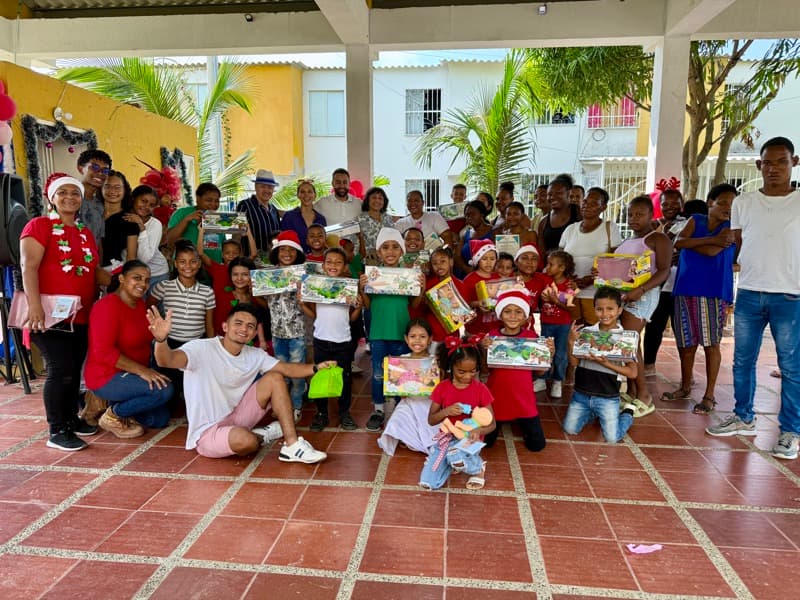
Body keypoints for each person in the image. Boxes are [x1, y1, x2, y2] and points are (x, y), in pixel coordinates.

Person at [706, 137, 800, 460]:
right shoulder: (744, 202)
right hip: (748, 291)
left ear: (794, 163)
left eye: (781, 162)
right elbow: (740, 244)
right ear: (759, 165)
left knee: (791, 366)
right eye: (768, 163)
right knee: (742, 360)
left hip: (790, 295)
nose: (774, 169)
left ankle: (790, 431)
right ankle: (743, 415)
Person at [148, 303, 331, 462]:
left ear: (254, 333)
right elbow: (167, 360)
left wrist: (316, 368)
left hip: (238, 416)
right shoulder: (200, 348)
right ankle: (261, 436)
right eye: (238, 323)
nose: (244, 329)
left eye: (250, 326)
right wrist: (161, 339)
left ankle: (291, 445)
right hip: (208, 431)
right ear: (225, 326)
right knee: (247, 442)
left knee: (275, 377)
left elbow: (286, 369)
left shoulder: (254, 355)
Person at [20, 173, 111, 451]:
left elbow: (91, 271)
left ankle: (71, 419)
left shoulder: (84, 232)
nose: (70, 197)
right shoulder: (40, 226)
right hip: (48, 314)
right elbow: (28, 267)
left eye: (75, 193)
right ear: (52, 197)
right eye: (63, 193)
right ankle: (57, 429)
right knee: (60, 370)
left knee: (72, 369)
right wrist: (34, 306)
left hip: (80, 315)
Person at [666, 184, 737, 414]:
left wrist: (696, 243)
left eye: (732, 203)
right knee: (686, 343)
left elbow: (710, 252)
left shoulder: (732, 228)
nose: (728, 208)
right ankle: (685, 386)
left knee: (711, 344)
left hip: (713, 291)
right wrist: (711, 240)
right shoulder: (696, 219)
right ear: (710, 203)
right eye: (723, 202)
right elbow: (677, 242)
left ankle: (709, 395)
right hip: (685, 288)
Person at [86, 260, 172, 438]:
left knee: (159, 418)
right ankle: (113, 414)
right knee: (163, 391)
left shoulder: (141, 305)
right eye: (137, 278)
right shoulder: (107, 306)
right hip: (107, 375)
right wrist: (143, 372)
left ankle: (109, 403)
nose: (143, 284)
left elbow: (144, 339)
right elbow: (103, 352)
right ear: (122, 278)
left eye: (147, 280)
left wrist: (160, 336)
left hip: (132, 374)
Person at [615, 196, 672, 416]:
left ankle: (644, 396)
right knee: (628, 343)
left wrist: (640, 290)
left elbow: (664, 270)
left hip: (642, 296)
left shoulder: (658, 238)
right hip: (624, 295)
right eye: (630, 214)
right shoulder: (629, 240)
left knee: (630, 341)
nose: (633, 218)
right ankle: (630, 390)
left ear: (651, 214)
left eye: (639, 214)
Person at [562, 287, 638, 442]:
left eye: (610, 309)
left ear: (619, 310)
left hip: (608, 396)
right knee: (569, 429)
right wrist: (570, 342)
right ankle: (593, 412)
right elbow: (574, 362)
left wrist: (607, 363)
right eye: (599, 309)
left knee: (611, 438)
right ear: (594, 309)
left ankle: (627, 414)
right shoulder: (585, 332)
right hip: (581, 394)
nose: (604, 314)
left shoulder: (625, 338)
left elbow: (632, 373)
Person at [420, 337, 495, 491]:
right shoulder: (442, 388)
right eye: (461, 371)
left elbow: (492, 423)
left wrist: (478, 430)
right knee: (428, 483)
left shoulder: (481, 389)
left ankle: (478, 469)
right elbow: (431, 420)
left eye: (472, 371)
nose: (467, 376)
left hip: (469, 439)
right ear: (451, 366)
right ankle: (450, 463)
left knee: (456, 455)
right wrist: (446, 411)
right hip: (447, 438)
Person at [359, 228, 414, 432]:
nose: (390, 251)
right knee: (378, 374)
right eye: (385, 247)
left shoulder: (408, 275)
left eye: (395, 247)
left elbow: (415, 304)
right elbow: (367, 305)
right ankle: (379, 410)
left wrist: (421, 286)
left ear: (402, 251)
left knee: (400, 374)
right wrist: (362, 288)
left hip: (401, 333)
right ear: (379, 252)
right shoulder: (373, 275)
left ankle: (402, 409)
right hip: (378, 333)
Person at [301, 247, 362, 431]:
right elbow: (313, 314)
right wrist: (302, 303)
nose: (333, 265)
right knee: (321, 377)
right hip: (321, 339)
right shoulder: (316, 285)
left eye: (338, 262)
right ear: (323, 265)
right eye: (329, 262)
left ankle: (344, 413)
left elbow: (352, 318)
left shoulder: (349, 287)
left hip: (343, 340)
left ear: (345, 266)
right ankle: (322, 414)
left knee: (344, 377)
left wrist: (358, 307)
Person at [482, 290, 549, 451]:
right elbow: (485, 369)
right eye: (508, 311)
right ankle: (500, 421)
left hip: (523, 397)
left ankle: (519, 420)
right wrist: (484, 350)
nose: (513, 316)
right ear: (500, 315)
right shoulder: (492, 337)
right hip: (496, 395)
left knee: (537, 445)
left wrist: (548, 355)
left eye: (518, 312)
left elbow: (540, 372)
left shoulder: (532, 337)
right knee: (486, 444)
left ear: (525, 316)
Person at [148, 242, 215, 403]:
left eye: (193, 261)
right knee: (168, 393)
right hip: (169, 344)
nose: (188, 266)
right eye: (183, 261)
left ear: (199, 264)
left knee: (192, 396)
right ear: (175, 264)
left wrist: (211, 349)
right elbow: (148, 308)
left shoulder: (207, 292)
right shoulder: (164, 287)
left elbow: (209, 325)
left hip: (195, 346)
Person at [559, 187, 622, 325]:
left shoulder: (609, 227)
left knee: (596, 334)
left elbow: (616, 260)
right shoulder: (570, 229)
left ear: (603, 207)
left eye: (593, 203)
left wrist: (589, 279)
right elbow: (559, 258)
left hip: (597, 293)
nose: (587, 205)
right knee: (573, 333)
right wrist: (567, 276)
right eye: (585, 201)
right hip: (571, 291)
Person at [378, 319, 441, 455]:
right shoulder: (401, 359)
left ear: (430, 339)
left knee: (432, 428)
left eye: (422, 337)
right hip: (409, 402)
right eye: (413, 337)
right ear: (406, 339)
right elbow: (398, 386)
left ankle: (413, 439)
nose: (417, 341)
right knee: (397, 420)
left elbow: (439, 388)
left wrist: (439, 372)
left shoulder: (434, 361)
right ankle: (409, 438)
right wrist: (389, 369)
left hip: (429, 404)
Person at [643, 189, 688, 375]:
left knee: (682, 331)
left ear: (682, 204)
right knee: (654, 327)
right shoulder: (654, 226)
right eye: (665, 204)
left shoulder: (689, 225)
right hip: (659, 285)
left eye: (674, 203)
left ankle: (687, 372)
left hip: (682, 284)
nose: (670, 207)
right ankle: (648, 366)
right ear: (659, 206)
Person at [266, 231, 308, 421]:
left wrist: (303, 295)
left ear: (297, 253)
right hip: (277, 333)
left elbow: (311, 300)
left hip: (297, 333)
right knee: (281, 372)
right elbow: (262, 300)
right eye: (283, 249)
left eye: (292, 250)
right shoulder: (267, 276)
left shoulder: (303, 274)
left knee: (297, 372)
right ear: (277, 252)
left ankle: (296, 405)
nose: (287, 253)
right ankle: (283, 406)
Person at [539, 250, 578, 399]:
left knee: (561, 354)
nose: (546, 267)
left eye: (550, 264)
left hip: (563, 325)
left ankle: (557, 381)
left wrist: (556, 301)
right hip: (546, 322)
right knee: (545, 350)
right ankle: (543, 378)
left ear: (561, 268)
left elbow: (571, 308)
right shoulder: (544, 280)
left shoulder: (570, 285)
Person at [125, 185, 170, 294]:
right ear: (133, 199)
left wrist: (142, 228)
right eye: (143, 201)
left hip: (157, 274)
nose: (146, 206)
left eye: (151, 205)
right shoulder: (124, 218)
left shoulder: (155, 224)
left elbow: (144, 259)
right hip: (133, 274)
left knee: (154, 310)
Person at [166, 183, 225, 263]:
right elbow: (169, 240)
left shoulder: (218, 219)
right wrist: (186, 220)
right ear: (198, 198)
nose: (214, 204)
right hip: (187, 270)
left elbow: (223, 246)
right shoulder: (181, 213)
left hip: (213, 269)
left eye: (217, 201)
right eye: (209, 200)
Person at [236, 169, 282, 255]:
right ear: (256, 187)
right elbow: (237, 235)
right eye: (263, 186)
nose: (267, 190)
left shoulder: (274, 210)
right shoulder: (244, 206)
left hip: (272, 261)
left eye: (270, 187)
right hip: (251, 261)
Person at [101, 170, 139, 274]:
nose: (112, 191)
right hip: (87, 269)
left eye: (117, 187)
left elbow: (131, 257)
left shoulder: (129, 220)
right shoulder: (93, 215)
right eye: (107, 186)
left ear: (125, 190)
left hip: (113, 272)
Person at [76, 149, 112, 252]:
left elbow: (98, 241)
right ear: (80, 168)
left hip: (92, 263)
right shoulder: (69, 200)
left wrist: (98, 266)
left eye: (105, 171)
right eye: (94, 167)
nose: (100, 173)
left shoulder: (99, 205)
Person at [462, 239, 500, 336]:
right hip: (475, 330)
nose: (488, 262)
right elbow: (463, 303)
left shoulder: (498, 277)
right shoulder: (469, 279)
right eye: (484, 259)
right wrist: (478, 303)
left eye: (492, 259)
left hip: (496, 329)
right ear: (477, 260)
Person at [315, 168, 363, 243]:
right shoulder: (322, 203)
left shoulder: (359, 203)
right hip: (331, 251)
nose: (341, 186)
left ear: (349, 183)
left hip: (354, 252)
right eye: (338, 182)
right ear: (332, 183)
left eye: (345, 182)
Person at [280, 179, 326, 253]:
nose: (306, 195)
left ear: (315, 195)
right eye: (302, 192)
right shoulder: (289, 217)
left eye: (309, 192)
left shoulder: (321, 219)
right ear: (298, 195)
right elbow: (284, 242)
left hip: (315, 261)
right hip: (295, 261)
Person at [538, 174, 581, 256]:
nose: (553, 197)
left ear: (568, 194)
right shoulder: (543, 222)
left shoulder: (579, 213)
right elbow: (542, 253)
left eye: (558, 193)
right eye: (550, 194)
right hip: (553, 267)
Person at [357, 186, 395, 266]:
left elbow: (394, 238)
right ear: (368, 200)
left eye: (380, 198)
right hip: (368, 261)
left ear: (384, 202)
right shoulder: (360, 219)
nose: (377, 200)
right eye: (374, 197)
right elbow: (357, 244)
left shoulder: (388, 218)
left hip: (388, 260)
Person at [455, 199, 494, 276]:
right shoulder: (466, 234)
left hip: (487, 276)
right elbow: (457, 256)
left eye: (473, 214)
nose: (469, 217)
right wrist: (466, 268)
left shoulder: (494, 232)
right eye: (467, 215)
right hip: (466, 275)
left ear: (482, 214)